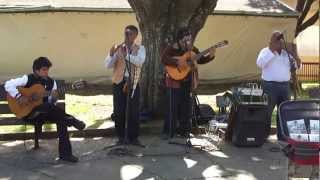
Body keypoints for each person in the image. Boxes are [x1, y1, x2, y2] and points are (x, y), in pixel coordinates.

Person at [4, 56, 86, 163]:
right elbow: (8, 84)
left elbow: (52, 104)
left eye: (47, 69)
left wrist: (54, 97)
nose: (46, 72)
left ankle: (65, 155)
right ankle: (73, 121)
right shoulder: (27, 79)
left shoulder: (52, 83)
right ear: (36, 70)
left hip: (44, 113)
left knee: (60, 118)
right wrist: (19, 96)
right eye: (44, 70)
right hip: (28, 114)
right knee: (51, 109)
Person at [161, 27, 216, 139]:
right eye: (185, 40)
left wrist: (211, 55)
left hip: (187, 81)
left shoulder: (192, 49)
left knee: (186, 107)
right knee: (173, 107)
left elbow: (200, 60)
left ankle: (184, 131)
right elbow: (164, 59)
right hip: (173, 81)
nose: (187, 42)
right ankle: (169, 131)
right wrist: (178, 62)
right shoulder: (172, 48)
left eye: (189, 40)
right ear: (179, 40)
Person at [104, 25, 146, 145]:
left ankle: (134, 137)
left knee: (134, 111)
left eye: (130, 34)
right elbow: (107, 65)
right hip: (118, 82)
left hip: (133, 82)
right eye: (126, 33)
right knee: (119, 110)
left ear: (135, 36)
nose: (127, 36)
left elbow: (139, 61)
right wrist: (111, 55)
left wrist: (126, 55)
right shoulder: (118, 48)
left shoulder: (141, 48)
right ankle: (121, 137)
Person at [256, 31, 301, 140]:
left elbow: (298, 66)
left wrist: (294, 54)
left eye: (280, 39)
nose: (279, 41)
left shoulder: (287, 53)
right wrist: (272, 50)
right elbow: (260, 64)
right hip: (269, 86)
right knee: (267, 112)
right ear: (271, 41)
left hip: (285, 86)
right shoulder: (265, 51)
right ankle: (263, 135)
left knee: (284, 112)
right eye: (276, 39)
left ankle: (282, 136)